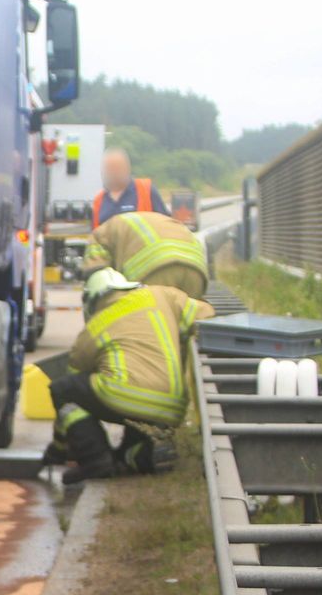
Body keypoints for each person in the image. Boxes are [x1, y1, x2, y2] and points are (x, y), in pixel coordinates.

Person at [46, 268, 214, 482]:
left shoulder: (92, 330)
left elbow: (72, 391)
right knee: (127, 450)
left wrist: (58, 450)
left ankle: (94, 459)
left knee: (62, 390)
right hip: (172, 406)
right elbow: (206, 316)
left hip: (125, 398)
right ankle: (137, 457)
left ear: (91, 301)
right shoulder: (161, 296)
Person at [81, 209, 209, 300]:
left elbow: (96, 277)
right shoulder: (126, 224)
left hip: (156, 270)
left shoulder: (98, 236)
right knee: (187, 319)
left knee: (151, 322)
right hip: (196, 270)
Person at [90, 147, 170, 227]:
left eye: (118, 167)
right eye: (110, 168)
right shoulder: (99, 200)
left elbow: (165, 226)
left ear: (127, 167)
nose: (114, 172)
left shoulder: (146, 190)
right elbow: (95, 235)